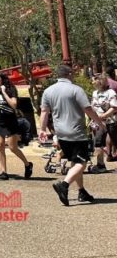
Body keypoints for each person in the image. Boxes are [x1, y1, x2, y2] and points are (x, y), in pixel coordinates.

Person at [41, 64, 107, 205]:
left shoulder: (48, 91)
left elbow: (44, 112)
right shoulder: (76, 90)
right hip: (76, 132)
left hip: (61, 133)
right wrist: (100, 123)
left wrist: (42, 129)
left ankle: (81, 191)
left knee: (74, 161)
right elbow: (88, 109)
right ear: (69, 74)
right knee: (81, 163)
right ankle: (64, 185)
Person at [0, 72, 33, 180]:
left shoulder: (10, 89)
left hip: (10, 121)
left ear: (2, 79)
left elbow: (14, 105)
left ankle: (27, 164)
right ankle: (4, 172)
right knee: (0, 145)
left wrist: (4, 92)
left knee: (13, 147)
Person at [89, 72, 117, 172]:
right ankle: (100, 165)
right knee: (98, 142)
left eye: (94, 79)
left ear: (100, 81)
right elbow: (93, 106)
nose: (92, 82)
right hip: (98, 122)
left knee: (115, 141)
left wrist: (104, 116)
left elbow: (114, 107)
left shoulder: (111, 92)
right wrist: (94, 118)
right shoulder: (95, 93)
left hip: (111, 121)